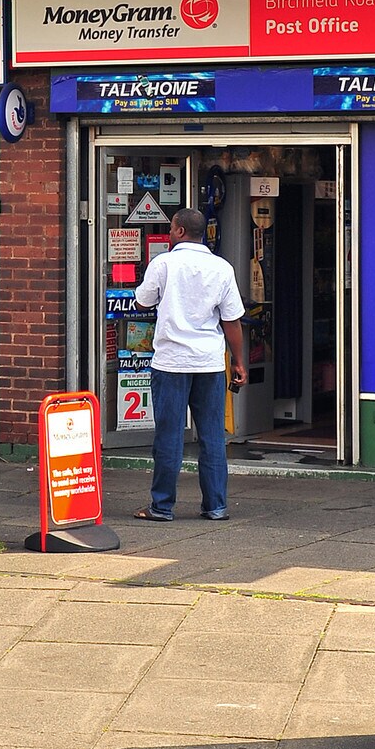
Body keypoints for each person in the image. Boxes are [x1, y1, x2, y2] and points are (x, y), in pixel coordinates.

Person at [132, 204, 246, 521]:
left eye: (171, 227)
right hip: (209, 362)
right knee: (212, 438)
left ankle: (162, 506)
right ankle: (216, 506)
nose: (169, 232)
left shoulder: (163, 264)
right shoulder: (222, 268)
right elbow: (232, 320)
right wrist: (238, 362)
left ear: (180, 231)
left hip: (170, 363)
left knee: (168, 437)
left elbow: (143, 300)